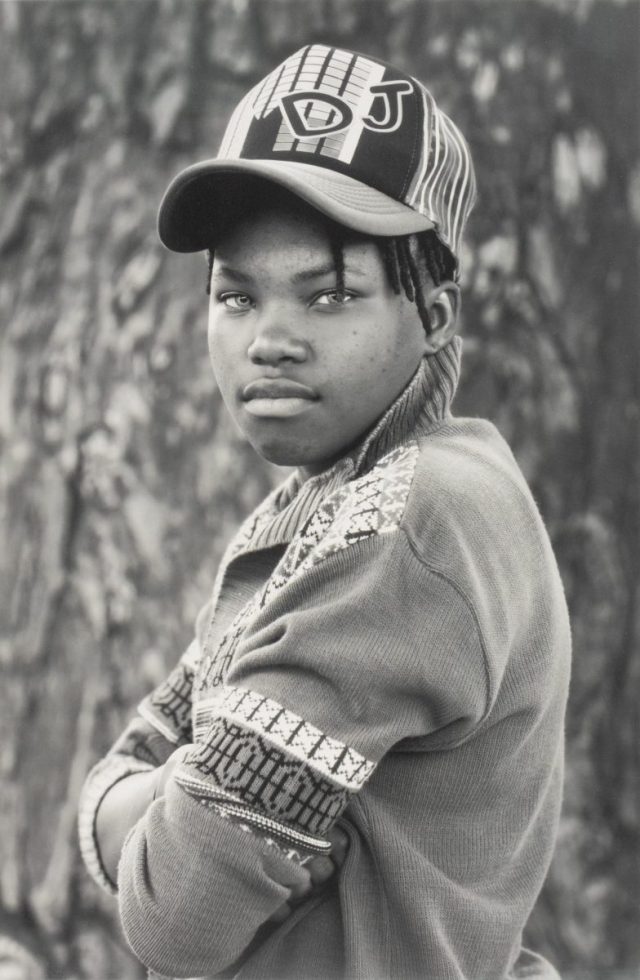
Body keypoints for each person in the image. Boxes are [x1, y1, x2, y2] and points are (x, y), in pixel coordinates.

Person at [78, 43, 571, 980]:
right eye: (236, 295)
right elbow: (124, 767)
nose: (269, 341)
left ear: (432, 313)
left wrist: (173, 806)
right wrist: (166, 798)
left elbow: (173, 916)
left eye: (331, 292)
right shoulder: (310, 509)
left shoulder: (408, 521)